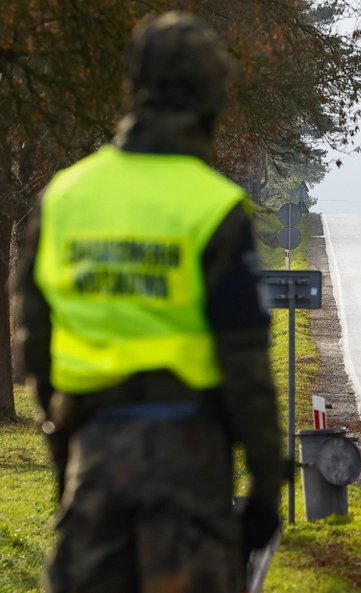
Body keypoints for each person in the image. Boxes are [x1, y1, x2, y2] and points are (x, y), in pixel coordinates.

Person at [14, 12, 284, 593]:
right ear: (212, 96)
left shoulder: (64, 197)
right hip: (189, 466)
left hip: (95, 459)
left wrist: (65, 451)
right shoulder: (213, 207)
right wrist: (264, 485)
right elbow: (246, 366)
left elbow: (34, 344)